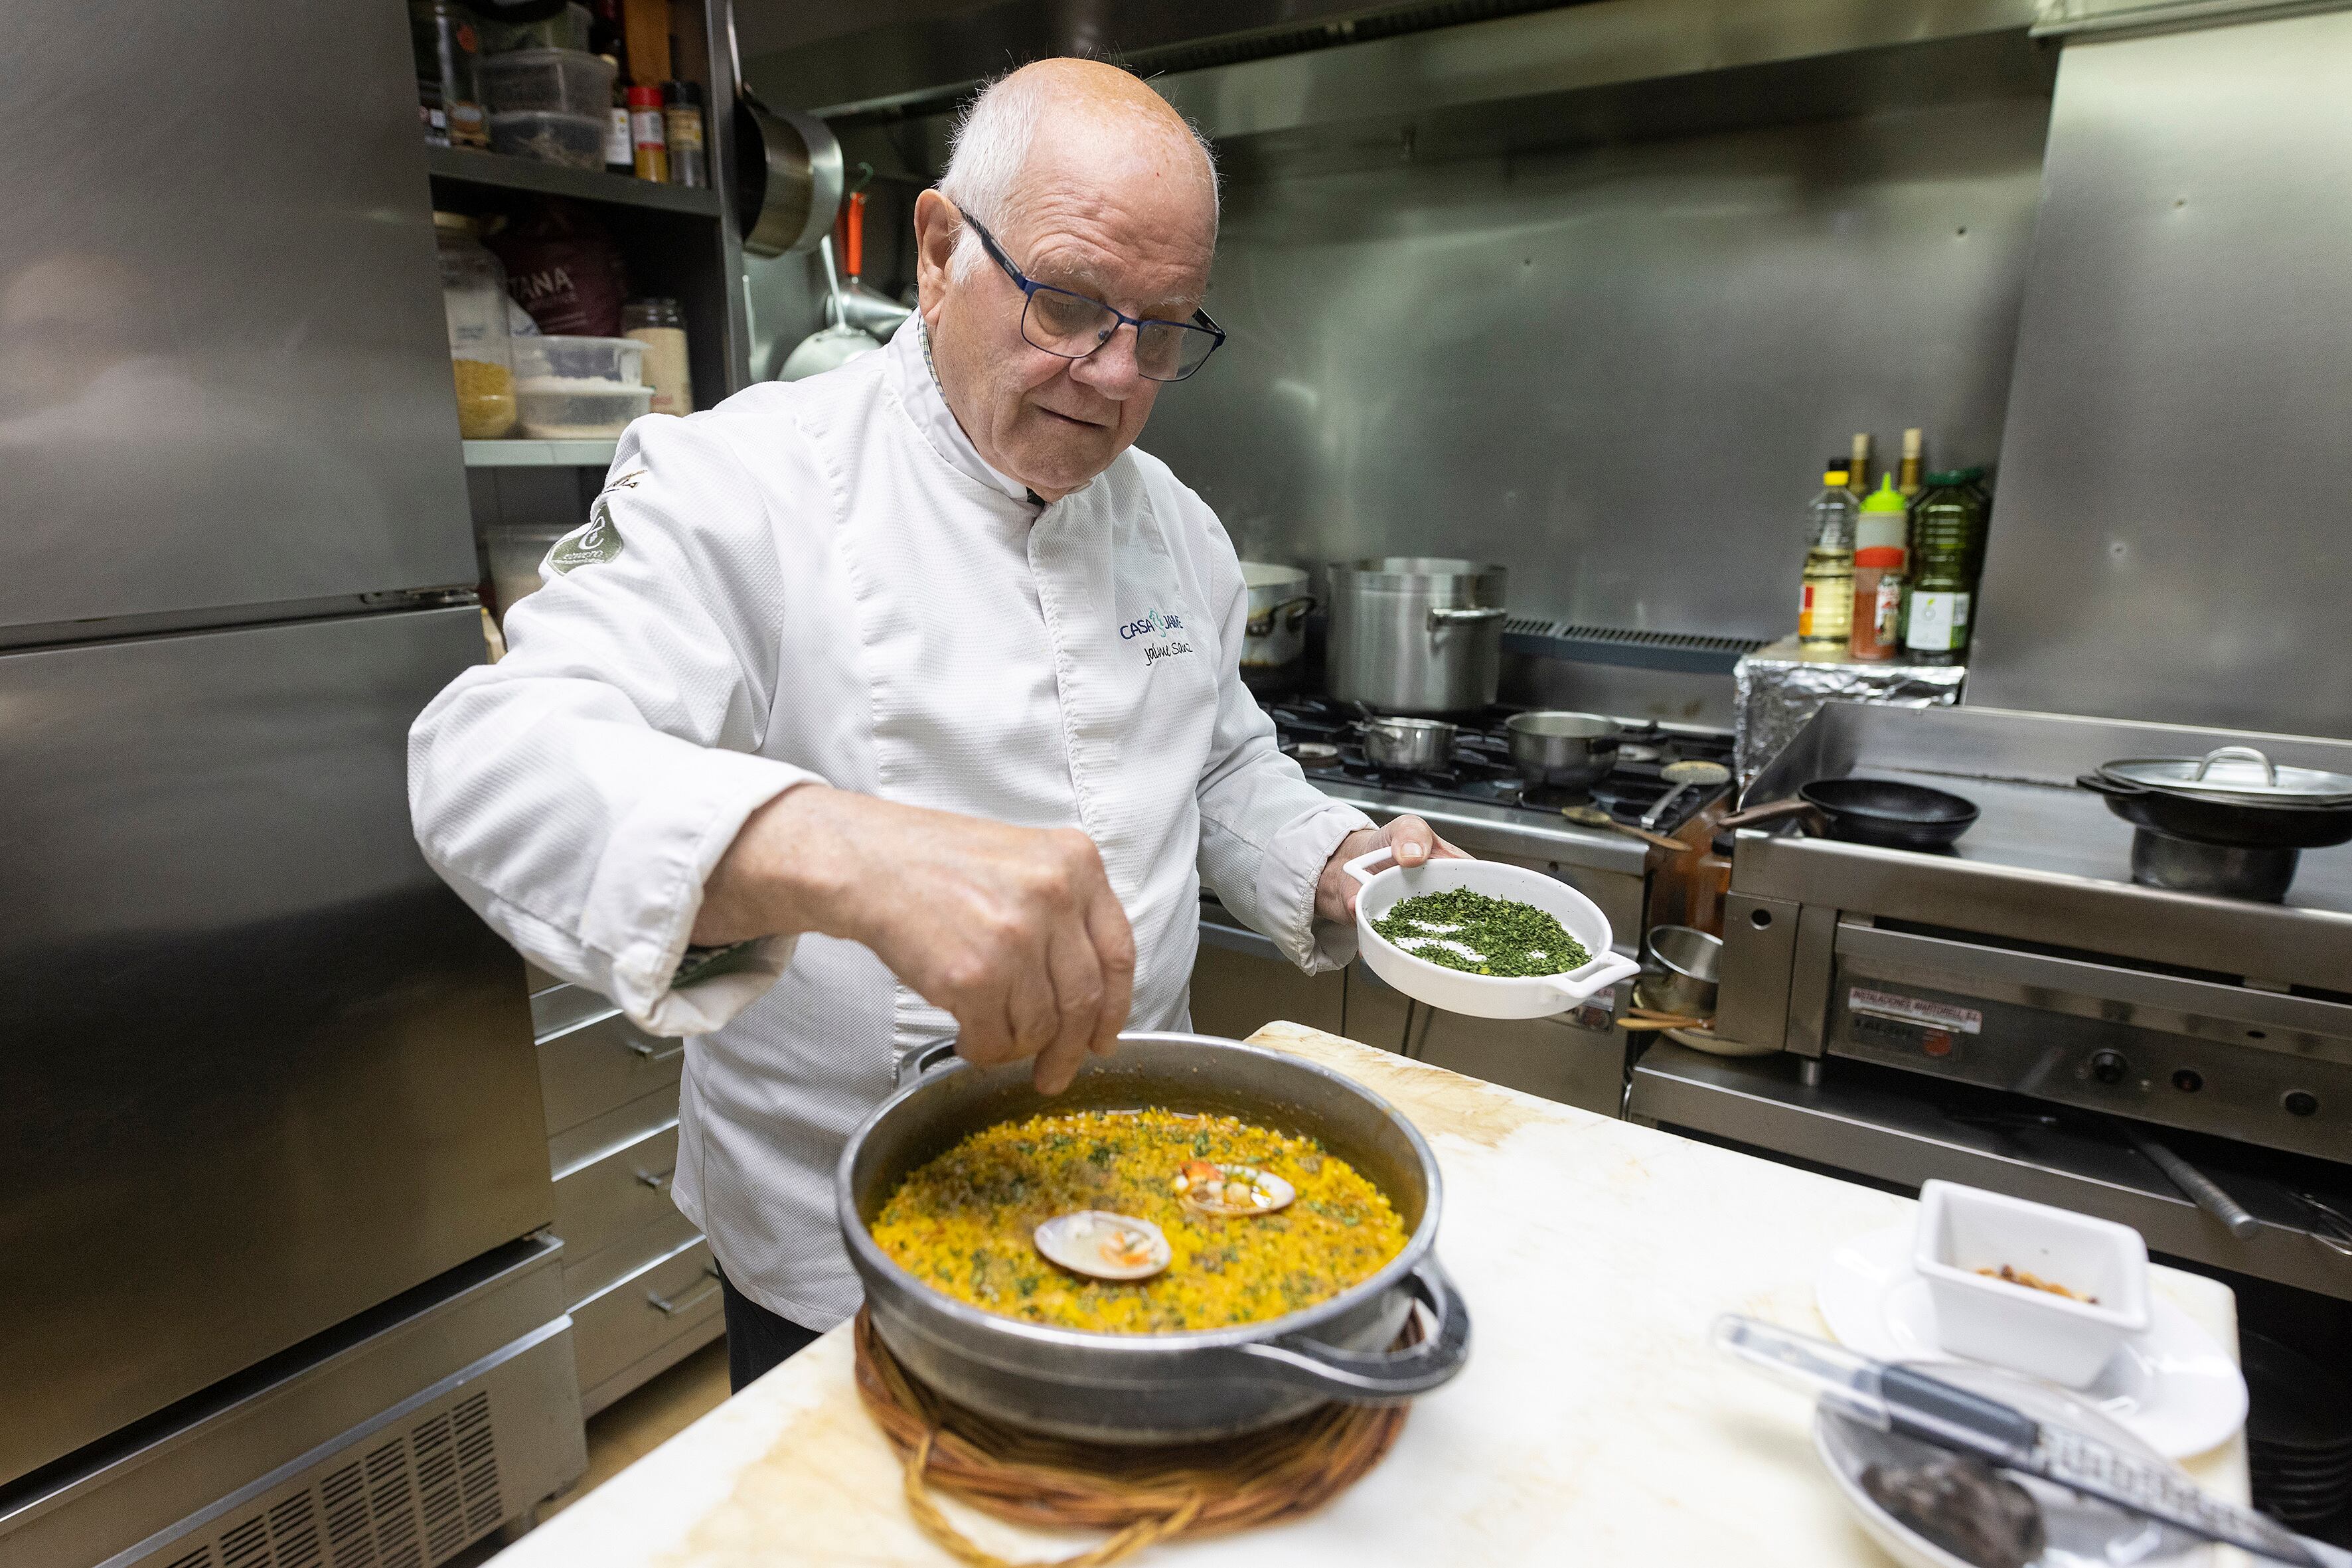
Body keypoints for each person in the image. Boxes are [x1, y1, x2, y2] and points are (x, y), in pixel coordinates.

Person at [408, 58, 1462, 1391]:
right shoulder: (742, 479)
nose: (1112, 373)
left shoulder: (1173, 524)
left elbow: (1218, 757)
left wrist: (1324, 860)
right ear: (937, 249)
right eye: (1073, 304)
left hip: (1153, 1185)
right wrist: (850, 850)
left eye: (1162, 327)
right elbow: (487, 755)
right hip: (838, 1243)